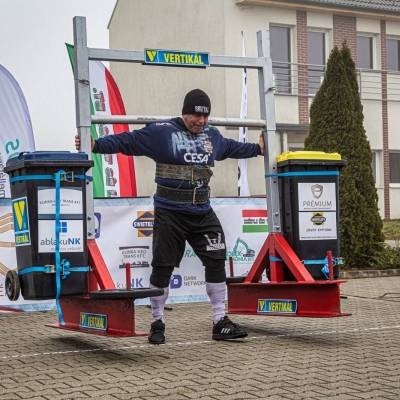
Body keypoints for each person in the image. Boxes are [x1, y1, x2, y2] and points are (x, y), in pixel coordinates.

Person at [75, 89, 265, 344]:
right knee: (162, 267)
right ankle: (157, 322)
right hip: (170, 213)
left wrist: (258, 149)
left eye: (205, 117)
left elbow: (232, 147)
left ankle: (220, 321)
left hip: (202, 212)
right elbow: (127, 141)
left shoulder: (212, 136)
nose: (201, 121)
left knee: (216, 259)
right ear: (184, 113)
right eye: (196, 116)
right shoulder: (161, 132)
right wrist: (96, 145)